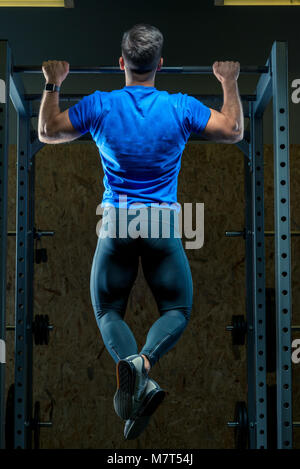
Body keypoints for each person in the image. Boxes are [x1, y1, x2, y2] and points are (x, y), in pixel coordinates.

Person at [38, 23, 244, 441]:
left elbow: (48, 132)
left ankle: (134, 374)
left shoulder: (100, 105)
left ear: (121, 64)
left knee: (107, 311)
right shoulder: (180, 107)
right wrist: (229, 81)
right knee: (177, 311)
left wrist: (52, 85)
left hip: (116, 222)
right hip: (161, 224)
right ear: (160, 66)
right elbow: (233, 130)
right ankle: (143, 365)